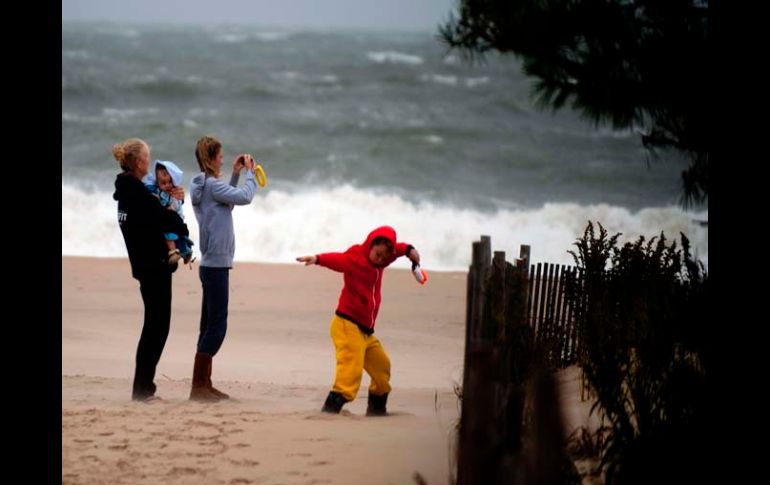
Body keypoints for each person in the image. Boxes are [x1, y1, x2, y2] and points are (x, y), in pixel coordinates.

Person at [296, 226, 421, 415]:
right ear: (371, 245)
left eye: (384, 257)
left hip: (365, 331)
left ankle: (377, 410)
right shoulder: (356, 258)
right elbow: (337, 260)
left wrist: (411, 251)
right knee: (350, 373)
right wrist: (317, 259)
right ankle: (329, 412)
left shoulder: (383, 260)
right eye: (377, 254)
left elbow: (400, 249)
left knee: (382, 367)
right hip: (347, 324)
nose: (380, 259)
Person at [112, 138, 190, 402]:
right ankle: (143, 388)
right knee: (156, 327)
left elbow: (159, 214)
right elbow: (163, 218)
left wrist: (173, 200)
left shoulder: (130, 190)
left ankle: (143, 386)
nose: (150, 160)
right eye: (147, 157)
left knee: (155, 326)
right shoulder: (134, 193)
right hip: (151, 267)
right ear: (138, 163)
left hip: (148, 265)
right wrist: (181, 224)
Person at [189, 135, 258, 401]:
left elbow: (225, 202)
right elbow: (244, 198)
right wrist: (250, 173)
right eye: (219, 155)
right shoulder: (212, 186)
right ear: (210, 157)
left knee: (207, 325)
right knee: (217, 327)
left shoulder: (204, 185)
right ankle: (199, 386)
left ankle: (203, 383)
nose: (222, 158)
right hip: (215, 265)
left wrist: (235, 174)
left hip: (210, 263)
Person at [144, 160, 195, 265]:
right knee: (172, 235)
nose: (167, 185)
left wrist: (174, 201)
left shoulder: (174, 193)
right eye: (163, 183)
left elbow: (177, 207)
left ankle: (178, 252)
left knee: (171, 233)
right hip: (168, 219)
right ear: (157, 182)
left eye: (170, 182)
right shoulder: (155, 191)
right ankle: (181, 252)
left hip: (174, 218)